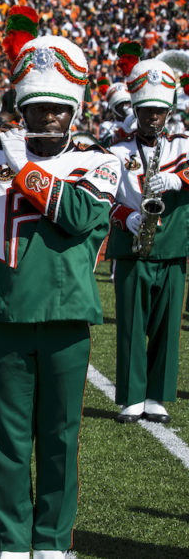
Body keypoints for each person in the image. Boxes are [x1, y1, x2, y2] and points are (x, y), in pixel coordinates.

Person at [0, 18, 119, 559]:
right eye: (37, 109)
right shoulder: (0, 157)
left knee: (60, 440)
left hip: (67, 316)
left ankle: (50, 543)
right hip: (5, 314)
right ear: (21, 109)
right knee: (8, 441)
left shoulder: (99, 160)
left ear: (73, 111)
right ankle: (11, 543)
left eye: (58, 109)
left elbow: (76, 215)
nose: (48, 118)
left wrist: (21, 164)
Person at [105, 54, 186, 425]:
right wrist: (129, 216)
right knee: (131, 325)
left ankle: (157, 395)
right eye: (146, 109)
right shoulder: (118, 151)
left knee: (168, 325)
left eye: (159, 110)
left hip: (172, 247)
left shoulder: (183, 146)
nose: (153, 116)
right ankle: (131, 396)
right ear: (135, 109)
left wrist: (179, 180)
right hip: (133, 245)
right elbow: (103, 199)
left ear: (168, 110)